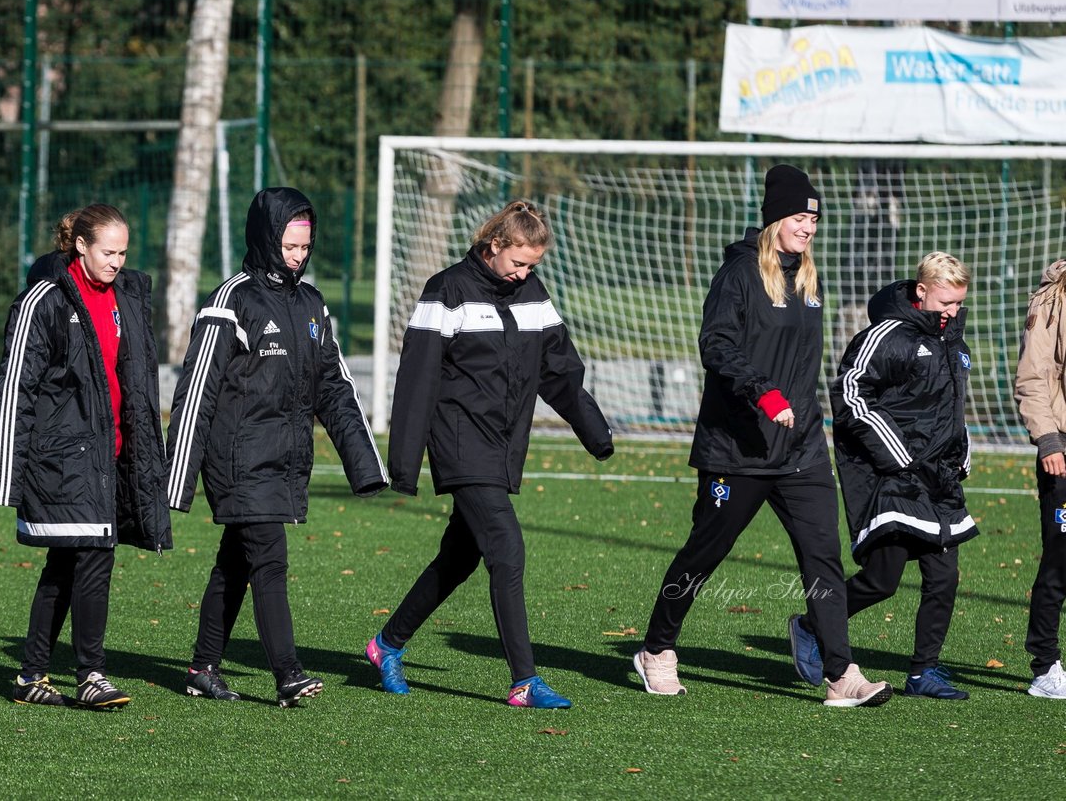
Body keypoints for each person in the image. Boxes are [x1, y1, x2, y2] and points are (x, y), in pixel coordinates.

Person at [634, 164, 891, 707]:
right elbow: (717, 346)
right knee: (707, 551)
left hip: (800, 449)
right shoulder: (739, 276)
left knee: (821, 557)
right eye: (800, 216)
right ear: (775, 219)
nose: (809, 226)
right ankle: (657, 649)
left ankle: (840, 672)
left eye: (814, 217)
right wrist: (764, 394)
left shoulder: (809, 276)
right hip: (738, 447)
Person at [366, 200, 614, 710]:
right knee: (506, 545)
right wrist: (404, 464)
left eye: (532, 266)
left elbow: (559, 370)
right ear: (493, 245)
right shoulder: (447, 289)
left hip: (503, 446)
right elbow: (417, 379)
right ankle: (523, 681)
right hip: (459, 441)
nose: (524, 273)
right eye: (519, 262)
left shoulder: (533, 294)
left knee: (460, 556)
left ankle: (385, 644)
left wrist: (594, 430)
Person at [166, 187, 388, 708]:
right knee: (269, 557)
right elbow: (196, 389)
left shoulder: (312, 303)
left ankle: (202, 666)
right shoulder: (231, 299)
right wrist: (178, 477)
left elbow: (333, 386)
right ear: (267, 238)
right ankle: (288, 674)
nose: (298, 256)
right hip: (238, 458)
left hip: (284, 460)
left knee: (235, 563)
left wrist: (365, 465)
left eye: (305, 247)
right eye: (289, 246)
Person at [0, 203, 172, 710]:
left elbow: (136, 381)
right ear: (81, 246)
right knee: (93, 560)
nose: (116, 261)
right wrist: (8, 472)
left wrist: (147, 455)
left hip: (110, 457)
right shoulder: (44, 300)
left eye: (124, 252)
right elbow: (17, 388)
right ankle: (91, 674)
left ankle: (32, 675)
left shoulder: (127, 296)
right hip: (61, 459)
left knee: (66, 565)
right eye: (107, 251)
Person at [791, 252, 976, 700]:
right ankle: (811, 625)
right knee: (882, 580)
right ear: (921, 290)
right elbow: (850, 390)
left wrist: (961, 451)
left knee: (944, 577)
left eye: (959, 303)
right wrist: (897, 454)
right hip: (894, 477)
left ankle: (923, 671)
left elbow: (952, 407)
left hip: (939, 479)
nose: (952, 311)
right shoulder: (887, 335)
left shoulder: (956, 343)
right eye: (945, 301)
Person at [1014, 260, 1066, 699]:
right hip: (1063, 448)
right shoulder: (1052, 298)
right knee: (1061, 558)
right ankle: (1045, 666)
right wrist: (1049, 440)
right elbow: (1033, 375)